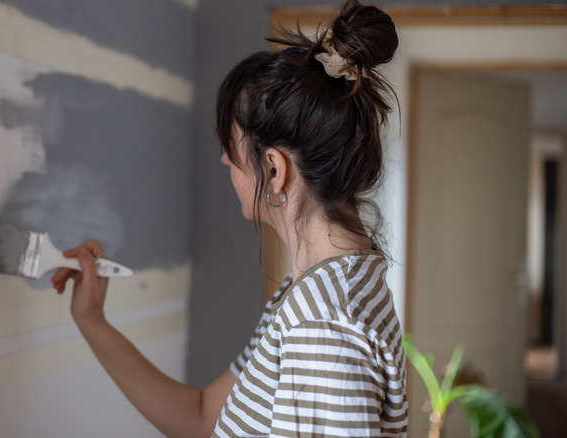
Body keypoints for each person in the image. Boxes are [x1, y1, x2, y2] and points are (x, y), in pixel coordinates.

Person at [50, 0, 408, 436]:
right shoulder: (313, 292)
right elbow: (204, 417)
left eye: (233, 149)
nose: (224, 159)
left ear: (274, 170)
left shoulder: (323, 325)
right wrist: (93, 321)